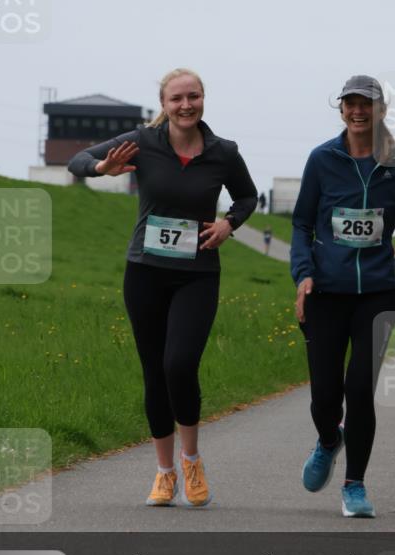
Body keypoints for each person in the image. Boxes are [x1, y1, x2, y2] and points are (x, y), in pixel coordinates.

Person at [68, 68, 257, 507]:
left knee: (180, 364)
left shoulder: (223, 152)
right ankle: (164, 473)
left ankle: (191, 460)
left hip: (197, 274)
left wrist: (230, 223)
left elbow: (248, 197)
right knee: (154, 372)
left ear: (203, 99)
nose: (186, 105)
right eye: (177, 99)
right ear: (164, 103)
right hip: (146, 272)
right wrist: (102, 166)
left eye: (193, 96)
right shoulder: (143, 142)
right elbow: (78, 160)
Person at [291, 75, 395, 518]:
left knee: (359, 390)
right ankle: (330, 440)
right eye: (350, 104)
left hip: (376, 293)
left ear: (380, 110)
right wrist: (303, 275)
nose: (357, 111)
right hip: (326, 292)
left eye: (365, 104)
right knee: (325, 396)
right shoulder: (322, 159)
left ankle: (355, 486)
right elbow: (301, 225)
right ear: (342, 109)